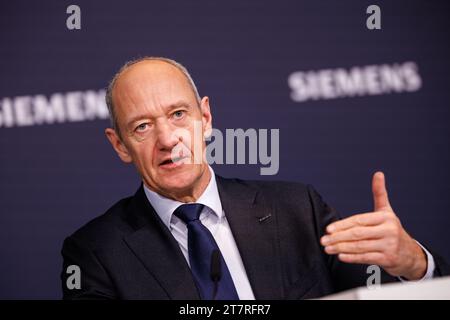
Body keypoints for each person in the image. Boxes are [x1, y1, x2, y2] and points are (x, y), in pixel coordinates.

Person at [61, 57, 449, 299]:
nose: (167, 139)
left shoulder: (299, 211)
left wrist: (413, 264)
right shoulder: (95, 253)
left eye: (179, 114)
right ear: (120, 145)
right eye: (143, 126)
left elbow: (374, 291)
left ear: (206, 118)